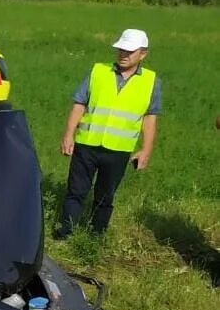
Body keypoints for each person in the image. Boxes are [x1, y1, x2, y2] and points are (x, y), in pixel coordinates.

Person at [55, 28, 161, 239]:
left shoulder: (151, 81)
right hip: (87, 144)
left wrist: (146, 149)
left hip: (118, 150)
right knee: (76, 191)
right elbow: (79, 104)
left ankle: (96, 235)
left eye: (130, 51)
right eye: (121, 49)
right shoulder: (98, 71)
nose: (124, 54)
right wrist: (68, 134)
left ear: (143, 54)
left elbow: (150, 118)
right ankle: (66, 231)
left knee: (105, 196)